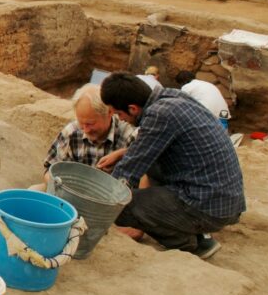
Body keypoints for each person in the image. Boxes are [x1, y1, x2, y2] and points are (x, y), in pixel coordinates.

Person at [101, 72, 245, 259]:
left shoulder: (159, 115)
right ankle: (196, 232)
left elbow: (127, 172)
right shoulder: (171, 97)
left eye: (119, 114)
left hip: (210, 206)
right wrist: (121, 154)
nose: (120, 119)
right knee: (151, 166)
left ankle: (189, 244)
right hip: (225, 199)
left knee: (122, 207)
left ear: (133, 108)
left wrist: (94, 201)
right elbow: (146, 149)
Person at [41, 84, 137, 187]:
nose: (85, 130)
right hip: (69, 193)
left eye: (90, 124)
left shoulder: (129, 136)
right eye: (81, 122)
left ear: (109, 113)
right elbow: (49, 169)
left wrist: (123, 153)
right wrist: (60, 187)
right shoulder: (71, 132)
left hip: (110, 200)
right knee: (34, 189)